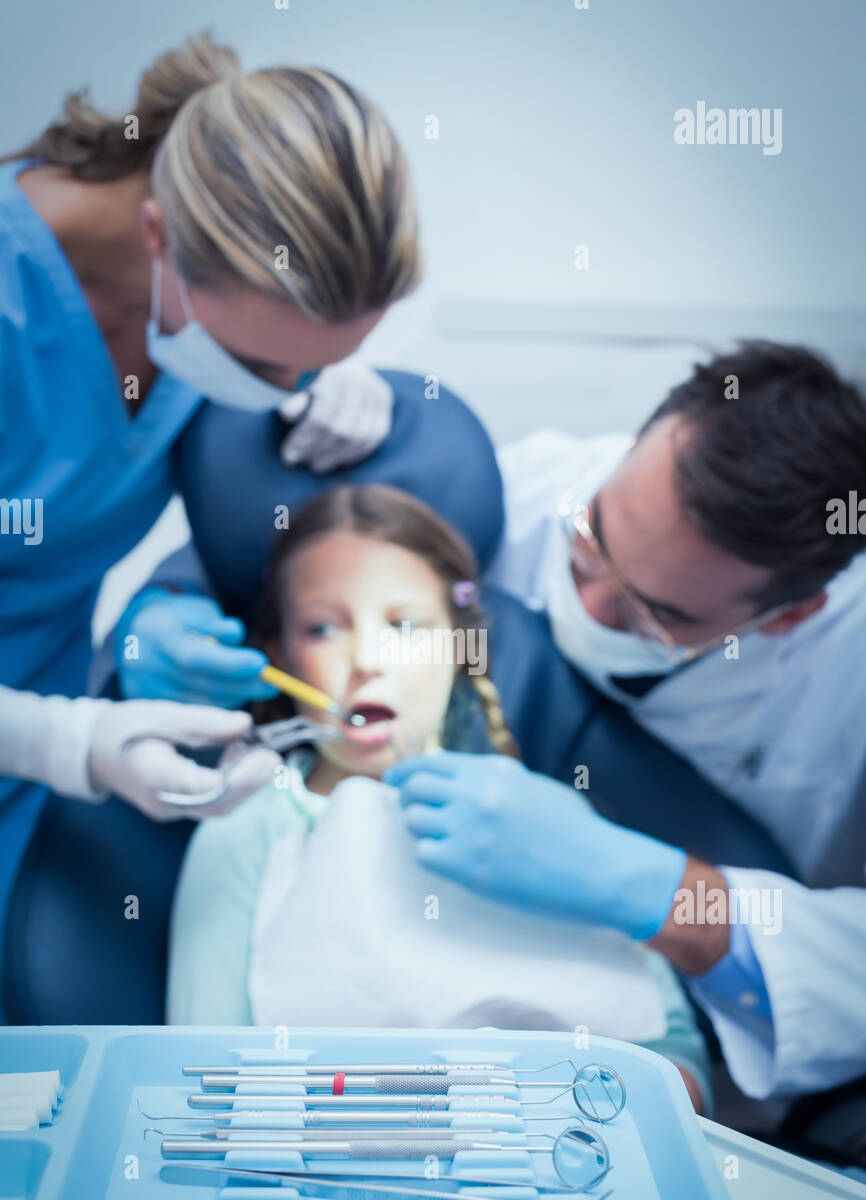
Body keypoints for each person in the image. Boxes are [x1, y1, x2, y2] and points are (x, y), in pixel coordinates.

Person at [0, 31, 424, 988]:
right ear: (159, 238)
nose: (292, 385)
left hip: (45, 764)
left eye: (322, 354)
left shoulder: (211, 289)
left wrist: (315, 374)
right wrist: (71, 743)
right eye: (268, 364)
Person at [387, 342, 866, 1102]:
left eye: (656, 613)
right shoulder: (529, 486)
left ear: (790, 615)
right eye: (589, 544)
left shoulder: (849, 664)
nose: (592, 606)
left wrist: (659, 892)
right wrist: (172, 597)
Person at [167, 486, 711, 1112]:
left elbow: (675, 1057)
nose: (367, 660)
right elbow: (200, 1088)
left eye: (404, 625)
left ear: (459, 648)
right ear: (279, 655)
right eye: (323, 627)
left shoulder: (539, 818)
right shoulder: (246, 830)